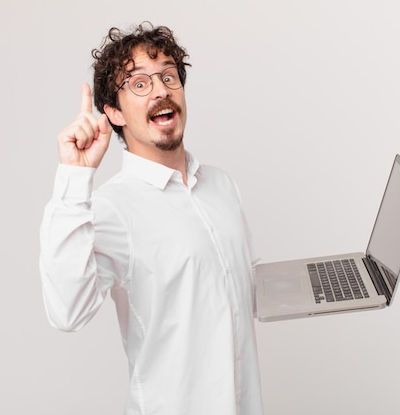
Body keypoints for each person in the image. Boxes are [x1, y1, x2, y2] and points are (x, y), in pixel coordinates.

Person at [39, 22, 264, 415]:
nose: (160, 89)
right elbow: (66, 311)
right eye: (139, 84)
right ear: (114, 113)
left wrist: (319, 285)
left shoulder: (221, 185)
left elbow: (242, 290)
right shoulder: (113, 208)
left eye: (168, 77)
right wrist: (75, 176)